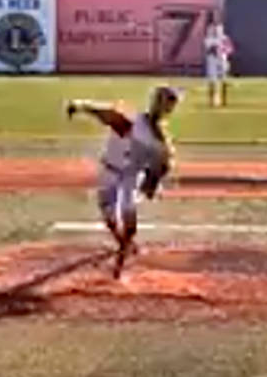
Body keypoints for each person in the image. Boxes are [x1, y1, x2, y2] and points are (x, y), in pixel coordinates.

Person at [65, 83, 181, 278]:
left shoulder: (160, 138)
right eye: (164, 103)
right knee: (109, 217)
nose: (165, 109)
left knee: (128, 215)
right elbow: (106, 114)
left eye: (169, 106)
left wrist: (153, 180)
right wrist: (80, 105)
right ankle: (124, 245)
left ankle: (120, 263)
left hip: (131, 176)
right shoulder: (131, 122)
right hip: (109, 171)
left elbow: (164, 162)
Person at [201, 11, 234, 109]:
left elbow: (228, 46)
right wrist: (214, 48)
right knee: (212, 80)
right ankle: (212, 101)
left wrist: (225, 50)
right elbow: (208, 47)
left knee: (224, 79)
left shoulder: (222, 31)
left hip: (222, 57)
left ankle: (224, 101)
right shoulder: (209, 32)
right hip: (213, 59)